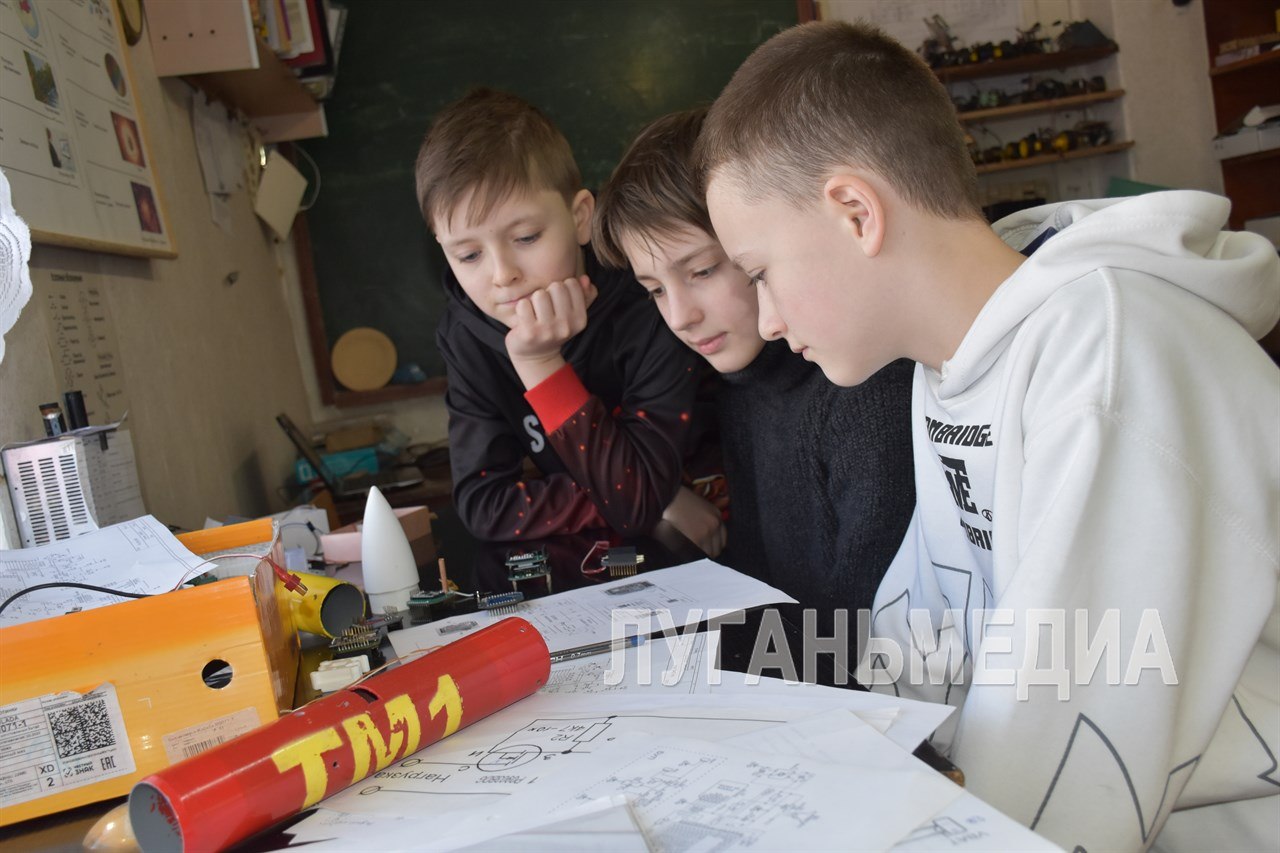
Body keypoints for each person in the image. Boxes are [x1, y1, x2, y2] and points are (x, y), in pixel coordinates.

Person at [697, 20, 1280, 853]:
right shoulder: (954, 363)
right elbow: (933, 629)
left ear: (856, 212)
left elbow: (1075, 746)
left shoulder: (1107, 354)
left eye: (760, 272)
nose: (765, 319)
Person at [593, 108, 916, 670]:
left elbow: (859, 647)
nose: (680, 316)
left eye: (701, 271)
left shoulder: (865, 387)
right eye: (655, 290)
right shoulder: (739, 382)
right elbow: (758, 588)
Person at [415, 88, 723, 553]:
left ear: (580, 218)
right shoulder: (466, 336)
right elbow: (484, 505)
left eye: (526, 237)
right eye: (469, 255)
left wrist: (540, 366)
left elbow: (637, 498)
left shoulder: (650, 295)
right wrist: (651, 495)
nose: (502, 275)